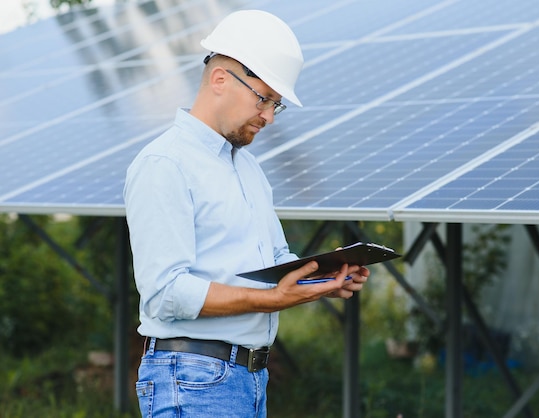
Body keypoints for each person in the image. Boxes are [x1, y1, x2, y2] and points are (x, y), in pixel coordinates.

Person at [123, 9, 369, 418]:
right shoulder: (165, 164)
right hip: (193, 378)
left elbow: (273, 264)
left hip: (248, 378)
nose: (270, 117)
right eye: (265, 99)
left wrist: (323, 278)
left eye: (276, 105)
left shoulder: (248, 169)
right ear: (220, 79)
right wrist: (272, 299)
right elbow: (165, 292)